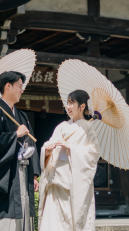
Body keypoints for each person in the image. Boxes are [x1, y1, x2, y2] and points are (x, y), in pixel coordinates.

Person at [0, 71, 41, 231]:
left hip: (24, 171)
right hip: (6, 175)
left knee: (24, 215)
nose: (22, 90)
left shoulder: (21, 116)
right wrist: (15, 135)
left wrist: (34, 174)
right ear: (8, 86)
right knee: (6, 220)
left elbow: (31, 144)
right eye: (20, 86)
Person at [38, 89, 101, 231]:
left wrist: (71, 147)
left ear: (82, 106)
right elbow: (48, 148)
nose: (68, 107)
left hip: (72, 187)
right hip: (55, 184)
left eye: (72, 103)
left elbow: (93, 155)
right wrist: (47, 151)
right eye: (67, 103)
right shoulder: (61, 127)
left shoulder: (87, 128)